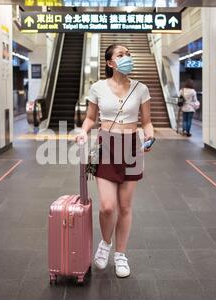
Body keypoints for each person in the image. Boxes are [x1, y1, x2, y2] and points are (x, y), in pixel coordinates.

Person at [75, 44, 154, 278]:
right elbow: (90, 118)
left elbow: (147, 121)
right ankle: (105, 244)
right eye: (121, 55)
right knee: (108, 207)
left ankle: (120, 254)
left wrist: (150, 134)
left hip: (131, 146)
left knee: (125, 207)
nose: (127, 57)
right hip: (106, 145)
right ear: (110, 63)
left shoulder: (141, 89)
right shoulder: (97, 87)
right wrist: (83, 131)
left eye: (128, 54)